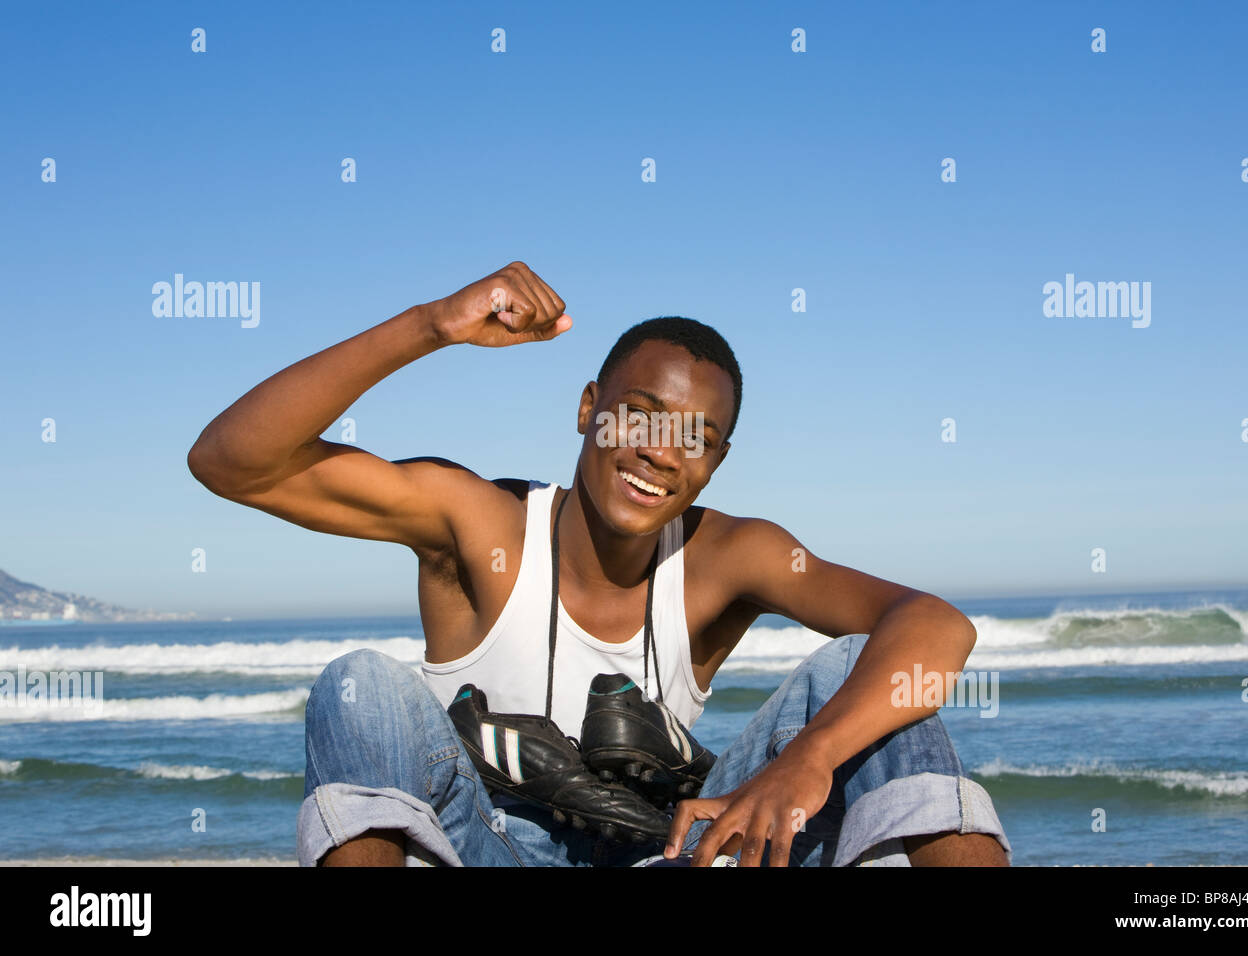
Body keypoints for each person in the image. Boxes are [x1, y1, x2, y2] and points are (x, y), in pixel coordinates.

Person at [187, 261, 1012, 867]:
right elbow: (232, 461)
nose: (661, 452)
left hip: (671, 852)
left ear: (716, 461)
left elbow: (933, 624)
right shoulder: (480, 524)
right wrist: (431, 324)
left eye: (697, 437)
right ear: (588, 409)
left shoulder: (729, 554)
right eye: (639, 416)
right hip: (489, 851)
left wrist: (806, 761)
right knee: (359, 683)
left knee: (853, 673)